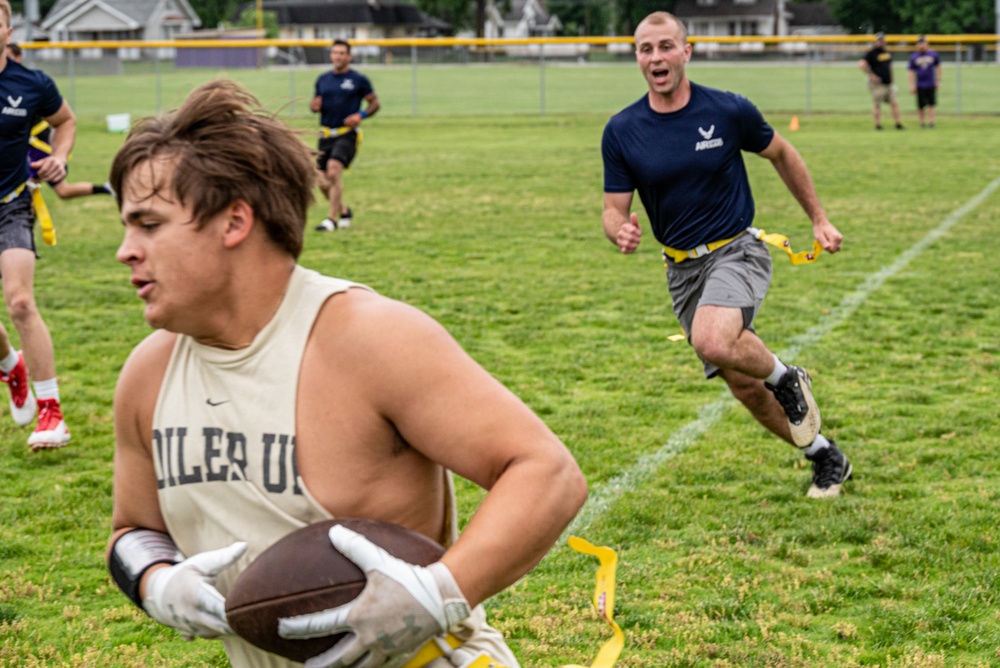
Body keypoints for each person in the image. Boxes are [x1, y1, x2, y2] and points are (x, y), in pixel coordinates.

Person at [105, 79, 586, 668]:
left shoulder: (370, 339)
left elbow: (547, 473)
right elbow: (131, 531)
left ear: (234, 222)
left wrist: (436, 593)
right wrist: (154, 581)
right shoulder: (147, 375)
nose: (126, 249)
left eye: (148, 224)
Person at [600, 11, 852, 499]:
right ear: (637, 58)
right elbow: (613, 210)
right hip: (681, 269)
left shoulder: (728, 111)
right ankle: (825, 455)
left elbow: (782, 153)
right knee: (742, 387)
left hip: (736, 250)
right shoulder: (622, 130)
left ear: (686, 52)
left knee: (714, 341)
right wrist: (619, 233)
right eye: (646, 49)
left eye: (666, 46)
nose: (657, 57)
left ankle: (787, 377)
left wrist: (819, 218)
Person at [0, 0, 74, 450]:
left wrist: (59, 157)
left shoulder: (31, 84)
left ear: (7, 29)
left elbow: (65, 122)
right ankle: (11, 364)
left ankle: (51, 413)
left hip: (11, 204)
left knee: (21, 301)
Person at [6, 43, 112, 200]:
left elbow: (65, 120)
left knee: (57, 190)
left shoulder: (28, 85)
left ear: (18, 58)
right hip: (28, 149)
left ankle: (108, 188)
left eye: (8, 56)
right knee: (49, 191)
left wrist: (59, 155)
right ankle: (107, 188)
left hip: (38, 148)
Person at [311, 38, 379, 232]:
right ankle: (343, 210)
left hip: (346, 134)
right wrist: (314, 106)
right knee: (320, 179)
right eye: (335, 52)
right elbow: (315, 104)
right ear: (331, 55)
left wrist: (361, 114)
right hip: (325, 134)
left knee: (333, 170)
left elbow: (375, 103)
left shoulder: (358, 80)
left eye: (342, 53)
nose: (338, 56)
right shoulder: (323, 80)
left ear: (349, 56)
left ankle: (331, 220)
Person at [859, 32, 904, 130]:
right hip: (878, 84)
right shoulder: (872, 53)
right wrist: (872, 75)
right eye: (879, 40)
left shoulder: (886, 52)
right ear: (875, 41)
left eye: (882, 40)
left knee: (894, 103)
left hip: (889, 84)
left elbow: (889, 65)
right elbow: (862, 64)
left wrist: (892, 76)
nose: (881, 42)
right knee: (877, 104)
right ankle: (878, 125)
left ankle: (898, 124)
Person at [907, 35, 941, 129]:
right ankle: (922, 123)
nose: (921, 45)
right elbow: (911, 71)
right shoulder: (914, 56)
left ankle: (931, 123)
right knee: (921, 105)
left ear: (927, 43)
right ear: (917, 44)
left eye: (923, 42)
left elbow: (938, 67)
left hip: (930, 83)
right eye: (919, 43)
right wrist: (911, 85)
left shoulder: (933, 54)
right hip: (920, 84)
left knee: (931, 104)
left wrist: (938, 80)